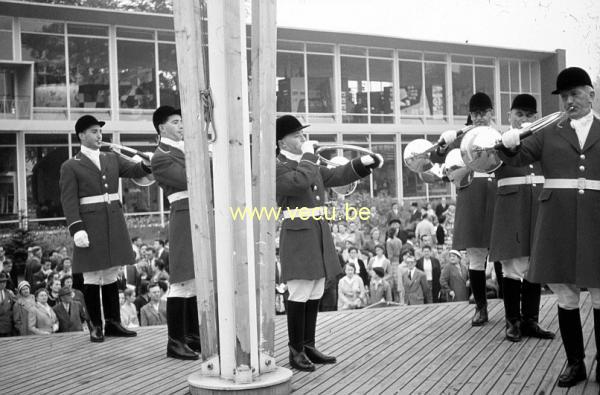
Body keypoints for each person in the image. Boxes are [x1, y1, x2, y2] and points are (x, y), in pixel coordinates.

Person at [499, 67, 598, 387]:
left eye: (576, 94)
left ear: (591, 94)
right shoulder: (549, 130)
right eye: (564, 96)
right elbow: (517, 157)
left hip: (596, 219)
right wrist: (510, 144)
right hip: (558, 220)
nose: (570, 101)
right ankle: (575, 363)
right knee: (565, 294)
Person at [276, 114, 383, 371]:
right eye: (296, 135)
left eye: (302, 134)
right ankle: (295, 350)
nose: (302, 138)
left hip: (316, 230)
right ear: (281, 141)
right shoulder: (278, 165)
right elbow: (299, 182)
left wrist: (362, 164)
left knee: (315, 290)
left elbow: (336, 175)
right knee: (300, 292)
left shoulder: (307, 163)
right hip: (298, 232)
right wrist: (309, 157)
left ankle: (308, 345)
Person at [59, 114, 151, 342]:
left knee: (111, 274)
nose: (99, 135)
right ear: (81, 135)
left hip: (113, 222)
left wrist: (148, 162)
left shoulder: (111, 158)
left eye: (99, 131)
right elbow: (69, 201)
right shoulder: (71, 165)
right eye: (93, 131)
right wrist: (76, 229)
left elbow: (135, 171)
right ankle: (95, 325)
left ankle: (113, 322)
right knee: (92, 276)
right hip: (90, 225)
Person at [489, 94, 555, 343]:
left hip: (537, 206)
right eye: (519, 114)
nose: (524, 119)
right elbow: (475, 160)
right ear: (509, 116)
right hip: (511, 207)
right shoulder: (497, 142)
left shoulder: (542, 140)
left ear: (535, 118)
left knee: (533, 266)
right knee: (512, 267)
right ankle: (512, 321)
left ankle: (531, 321)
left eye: (529, 115)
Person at [433, 92, 497, 326]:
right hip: (471, 197)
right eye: (475, 113)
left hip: (497, 196)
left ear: (492, 113)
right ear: (471, 115)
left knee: (502, 255)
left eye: (484, 112)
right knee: (477, 257)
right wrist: (443, 144)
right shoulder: (462, 137)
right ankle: (481, 307)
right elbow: (437, 158)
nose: (480, 117)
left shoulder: (499, 135)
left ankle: (508, 307)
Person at [150, 105, 200, 360]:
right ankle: (175, 341)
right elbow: (189, 177)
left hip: (199, 211)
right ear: (162, 127)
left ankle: (193, 336)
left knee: (195, 279)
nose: (182, 125)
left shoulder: (184, 148)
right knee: (181, 281)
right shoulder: (160, 155)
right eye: (176, 121)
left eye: (182, 121)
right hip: (183, 213)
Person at [0, 272, 15, 337]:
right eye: (1, 282)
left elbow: (13, 307)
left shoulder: (9, 293)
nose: (3, 284)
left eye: (4, 282)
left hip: (7, 326)